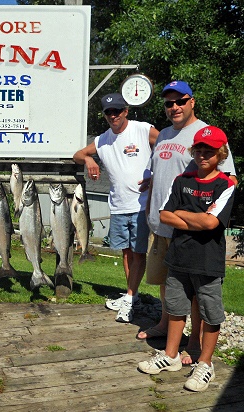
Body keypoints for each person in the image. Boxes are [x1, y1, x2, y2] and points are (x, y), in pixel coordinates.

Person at [139, 81, 238, 366]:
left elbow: (228, 179)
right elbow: (159, 175)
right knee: (169, 284)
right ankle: (164, 323)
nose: (174, 107)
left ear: (192, 101)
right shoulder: (164, 135)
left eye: (180, 101)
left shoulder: (206, 135)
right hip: (161, 223)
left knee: (194, 289)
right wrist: (151, 209)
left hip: (190, 232)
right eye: (168, 103)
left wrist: (199, 219)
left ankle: (193, 342)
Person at [73, 93, 159, 323]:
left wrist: (156, 175)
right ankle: (133, 295)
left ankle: (130, 298)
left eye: (117, 111)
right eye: (108, 113)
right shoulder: (102, 140)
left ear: (126, 111)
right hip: (118, 205)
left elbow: (167, 147)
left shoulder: (142, 129)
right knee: (126, 253)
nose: (113, 116)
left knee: (138, 252)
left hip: (141, 204)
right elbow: (78, 154)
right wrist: (90, 160)